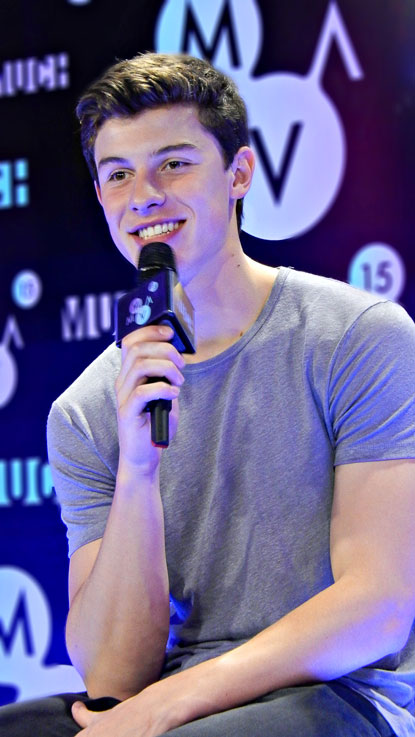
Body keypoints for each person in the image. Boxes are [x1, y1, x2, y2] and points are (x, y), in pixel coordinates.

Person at [1, 51, 414, 737]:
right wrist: (138, 465)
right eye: (117, 175)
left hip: (337, 693)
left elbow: (378, 606)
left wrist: (172, 701)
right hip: (166, 697)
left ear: (239, 173)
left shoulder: (357, 335)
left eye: (174, 163)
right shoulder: (85, 409)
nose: (144, 196)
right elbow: (110, 676)